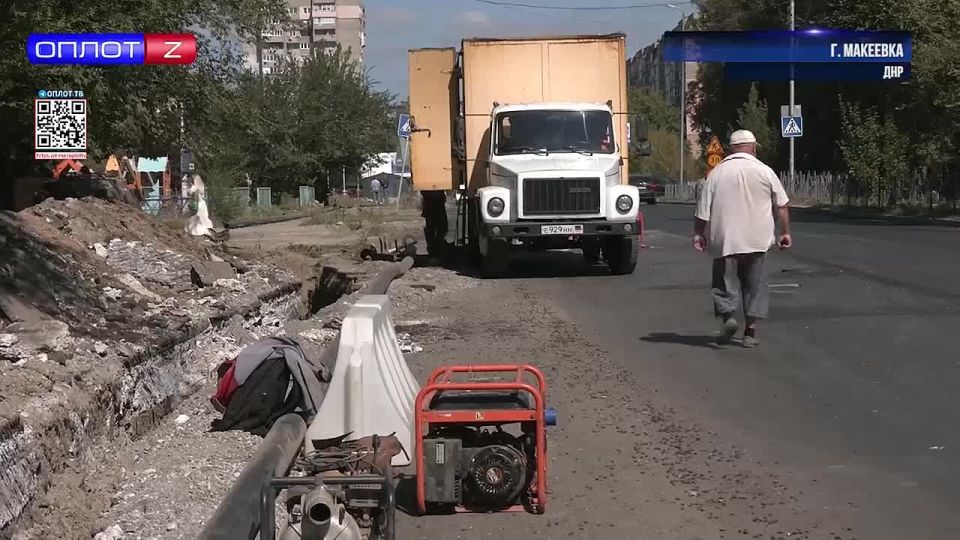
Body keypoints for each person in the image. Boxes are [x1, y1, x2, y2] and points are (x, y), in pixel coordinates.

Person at [693, 129, 792, 347]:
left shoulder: (717, 173)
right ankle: (749, 332)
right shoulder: (765, 171)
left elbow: (703, 211)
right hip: (757, 240)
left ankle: (728, 317)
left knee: (723, 283)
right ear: (754, 147)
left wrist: (699, 234)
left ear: (730, 148)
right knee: (754, 285)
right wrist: (784, 232)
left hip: (725, 240)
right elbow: (782, 206)